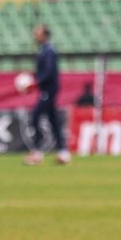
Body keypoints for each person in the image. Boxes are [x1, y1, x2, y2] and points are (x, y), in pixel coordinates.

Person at [24, 24, 70, 166]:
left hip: (48, 90)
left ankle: (37, 153)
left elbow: (48, 72)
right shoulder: (44, 50)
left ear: (44, 35)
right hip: (47, 89)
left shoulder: (49, 51)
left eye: (37, 32)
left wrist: (36, 82)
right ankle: (63, 153)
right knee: (53, 120)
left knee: (36, 117)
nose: (35, 35)